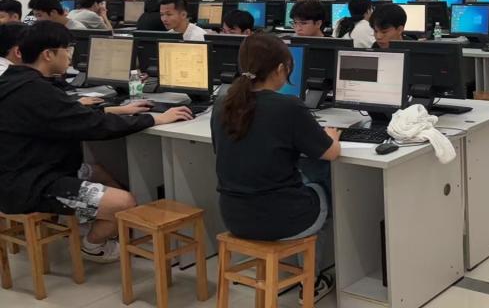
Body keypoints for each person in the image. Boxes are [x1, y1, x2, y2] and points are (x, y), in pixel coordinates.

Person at [0, 21, 193, 262]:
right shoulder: (37, 92)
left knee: (97, 170)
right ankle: (93, 246)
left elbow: (69, 115)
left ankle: (95, 217)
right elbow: (95, 126)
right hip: (31, 185)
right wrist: (154, 118)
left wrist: (120, 110)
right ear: (48, 55)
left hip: (21, 170)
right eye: (67, 49)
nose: (71, 55)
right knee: (124, 202)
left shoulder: (16, 81)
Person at [211, 34, 340, 302]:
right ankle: (311, 282)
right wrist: (332, 136)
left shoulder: (223, 103)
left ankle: (293, 271)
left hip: (234, 216)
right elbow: (330, 152)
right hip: (279, 219)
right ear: (281, 69)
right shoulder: (288, 106)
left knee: (293, 170)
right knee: (323, 178)